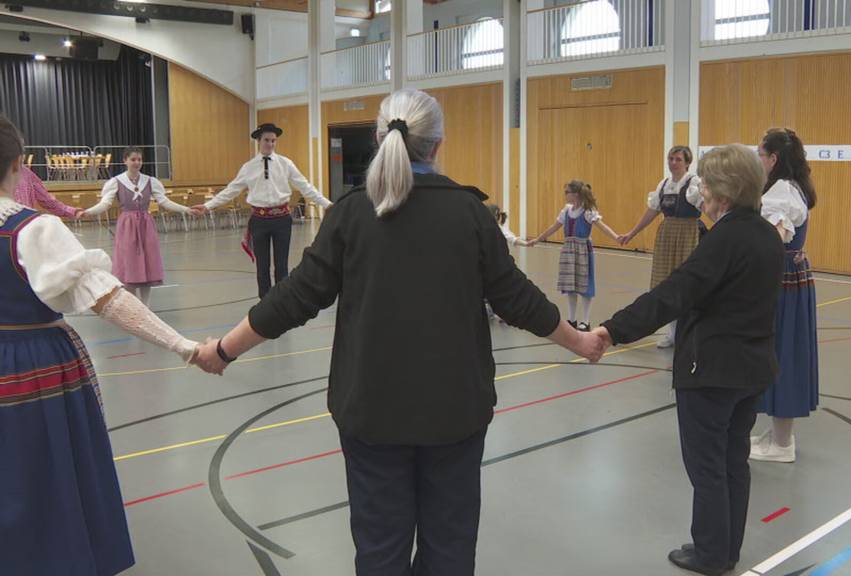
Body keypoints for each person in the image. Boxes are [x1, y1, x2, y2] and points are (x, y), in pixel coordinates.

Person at [190, 89, 602, 576]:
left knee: (380, 549)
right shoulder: (470, 214)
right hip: (455, 413)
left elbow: (293, 298)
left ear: (380, 138)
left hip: (371, 413)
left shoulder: (351, 213)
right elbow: (517, 298)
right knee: (449, 547)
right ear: (439, 144)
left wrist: (223, 349)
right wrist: (578, 341)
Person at [0, 115, 199, 575]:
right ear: (17, 164)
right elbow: (107, 300)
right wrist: (182, 345)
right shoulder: (32, 230)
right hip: (33, 366)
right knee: (43, 470)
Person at [593, 144, 784, 576]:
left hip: (712, 370)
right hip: (751, 369)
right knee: (733, 460)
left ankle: (711, 554)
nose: (703, 195)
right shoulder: (766, 235)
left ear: (725, 193)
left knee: (707, 467)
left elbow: (676, 292)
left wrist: (613, 329)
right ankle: (727, 547)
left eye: (708, 187)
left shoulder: (725, 239)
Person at [191, 123, 333, 298]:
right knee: (262, 266)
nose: (271, 144)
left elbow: (305, 187)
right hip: (259, 221)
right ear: (259, 141)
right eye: (267, 140)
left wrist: (327, 204)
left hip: (282, 219)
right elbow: (231, 190)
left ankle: (282, 301)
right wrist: (207, 206)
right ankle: (264, 302)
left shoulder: (285, 164)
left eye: (273, 141)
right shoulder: (248, 167)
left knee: (281, 265)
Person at [748, 128, 820, 463]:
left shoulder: (781, 191)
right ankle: (779, 435)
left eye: (760, 154)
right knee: (779, 351)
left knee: (782, 353)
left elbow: (773, 239)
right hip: (791, 276)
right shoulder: (791, 188)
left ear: (773, 158)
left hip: (781, 281)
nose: (758, 160)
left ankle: (782, 444)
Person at [80, 147, 190, 307]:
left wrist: (187, 209)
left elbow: (164, 202)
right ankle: (134, 306)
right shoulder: (116, 182)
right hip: (127, 225)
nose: (137, 162)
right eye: (133, 159)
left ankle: (146, 306)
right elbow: (105, 204)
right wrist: (88, 212)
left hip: (146, 224)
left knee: (148, 261)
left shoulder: (150, 181)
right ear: (125, 161)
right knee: (129, 262)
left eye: (139, 159)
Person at [620, 146, 703, 348]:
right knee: (666, 282)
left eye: (678, 159)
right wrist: (632, 233)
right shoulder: (664, 185)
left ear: (687, 163)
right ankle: (672, 333)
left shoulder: (694, 183)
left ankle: (687, 333)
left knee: (686, 283)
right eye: (671, 158)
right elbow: (652, 212)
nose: (673, 162)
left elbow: (707, 207)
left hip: (687, 234)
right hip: (667, 235)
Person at [527, 180, 623, 332]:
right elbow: (554, 227)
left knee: (584, 285)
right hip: (568, 250)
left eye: (567, 192)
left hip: (582, 250)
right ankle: (572, 319)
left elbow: (602, 227)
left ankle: (585, 321)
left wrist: (616, 237)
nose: (565, 195)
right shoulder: (566, 211)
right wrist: (538, 239)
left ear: (576, 194)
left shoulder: (587, 211)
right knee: (570, 286)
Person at [13, 161, 81, 219]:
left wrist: (72, 211)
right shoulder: (24, 172)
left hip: (23, 225)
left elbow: (46, 199)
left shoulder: (26, 173)